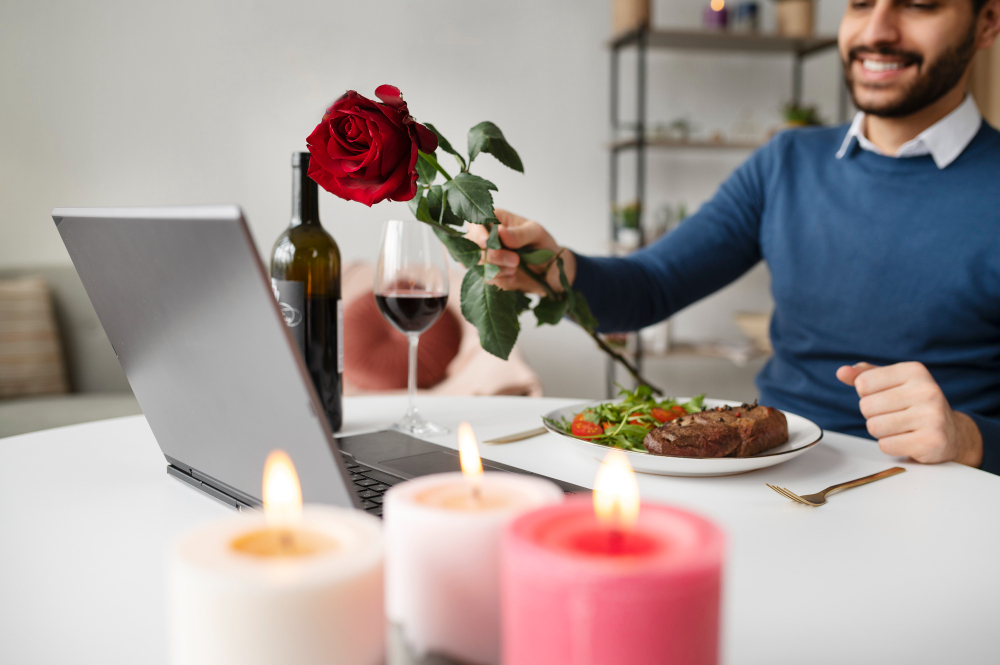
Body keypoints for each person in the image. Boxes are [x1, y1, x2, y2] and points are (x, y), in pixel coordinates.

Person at [474, 0, 1000, 473]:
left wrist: (969, 438)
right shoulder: (786, 163)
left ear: (988, 21)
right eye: (860, 3)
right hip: (775, 475)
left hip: (940, 488)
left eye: (920, 5)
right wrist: (552, 265)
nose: (878, 29)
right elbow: (651, 286)